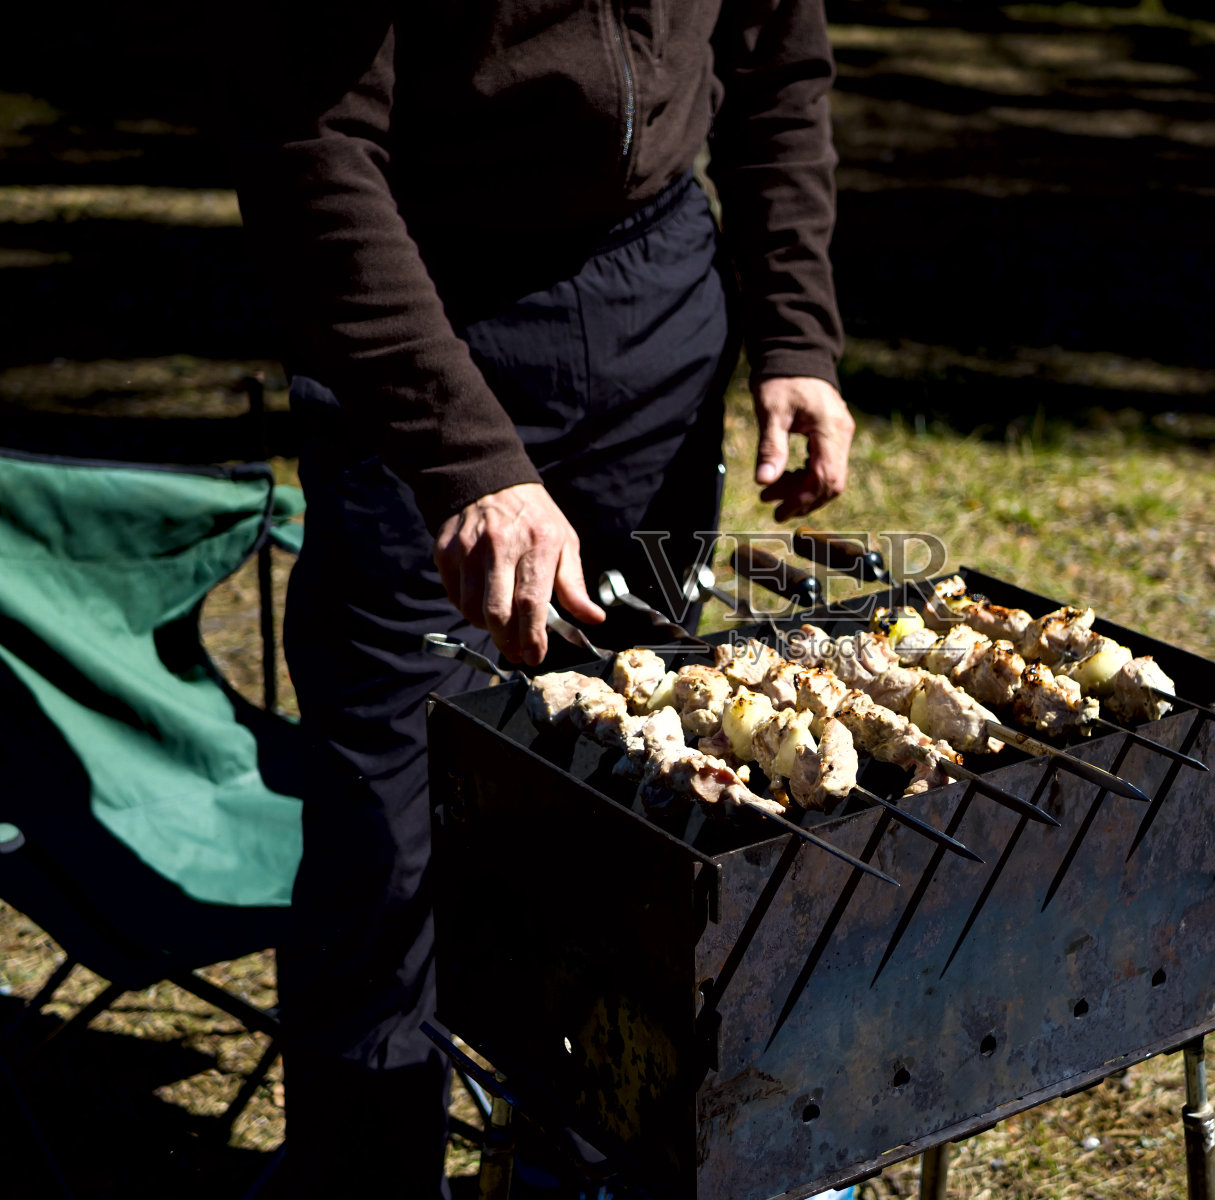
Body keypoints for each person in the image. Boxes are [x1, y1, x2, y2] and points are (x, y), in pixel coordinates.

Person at [216, 2, 855, 1195]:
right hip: (428, 299)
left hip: (657, 299)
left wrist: (796, 336)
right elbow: (305, 140)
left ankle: (574, 1171)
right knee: (392, 838)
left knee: (632, 795)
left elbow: (776, 66)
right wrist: (465, 461)